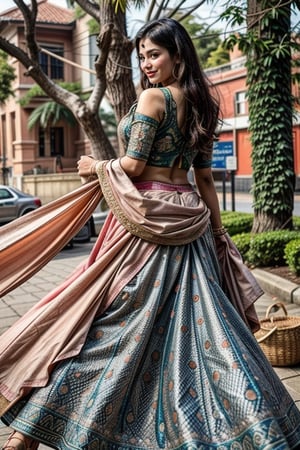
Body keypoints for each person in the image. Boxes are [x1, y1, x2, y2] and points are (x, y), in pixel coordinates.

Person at [0, 17, 300, 450]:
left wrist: (95, 166)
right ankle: (257, 426)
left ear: (178, 55)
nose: (146, 63)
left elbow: (136, 166)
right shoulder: (201, 103)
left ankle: (30, 432)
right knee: (206, 332)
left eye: (154, 54)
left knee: (102, 323)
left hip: (147, 225)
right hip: (189, 222)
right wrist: (217, 233)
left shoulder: (152, 100)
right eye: (142, 56)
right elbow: (206, 179)